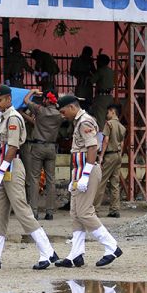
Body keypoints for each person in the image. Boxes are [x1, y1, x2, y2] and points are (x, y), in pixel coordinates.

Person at [0, 83, 58, 270]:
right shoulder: (5, 117)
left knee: (21, 209)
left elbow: (13, 147)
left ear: (9, 99)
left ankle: (47, 251)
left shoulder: (12, 118)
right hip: (4, 166)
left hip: (11, 166)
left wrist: (2, 170)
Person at [54, 94, 122, 268]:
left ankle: (111, 246)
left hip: (88, 171)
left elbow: (92, 147)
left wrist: (85, 174)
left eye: (63, 111)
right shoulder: (79, 121)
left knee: (84, 212)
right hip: (80, 172)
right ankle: (76, 254)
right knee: (75, 214)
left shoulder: (85, 121)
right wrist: (76, 176)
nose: (62, 115)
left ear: (71, 107)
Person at [22, 89, 60, 220]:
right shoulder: (58, 115)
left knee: (34, 179)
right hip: (51, 147)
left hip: (37, 147)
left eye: (44, 98)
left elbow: (26, 100)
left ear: (47, 100)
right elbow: (35, 122)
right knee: (51, 180)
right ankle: (50, 212)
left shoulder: (40, 110)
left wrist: (32, 91)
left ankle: (34, 211)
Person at [94, 103, 126, 218]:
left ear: (112, 112)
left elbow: (105, 140)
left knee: (101, 182)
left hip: (109, 155)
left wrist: (101, 156)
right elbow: (122, 143)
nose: (107, 114)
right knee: (115, 183)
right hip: (118, 155)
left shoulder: (109, 124)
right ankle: (114, 209)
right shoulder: (122, 127)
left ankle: (95, 209)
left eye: (108, 112)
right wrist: (120, 155)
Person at [89, 53, 115, 130]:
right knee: (110, 119)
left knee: (100, 121)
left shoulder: (100, 71)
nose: (96, 63)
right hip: (109, 97)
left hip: (101, 98)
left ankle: (101, 140)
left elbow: (92, 81)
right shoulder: (111, 71)